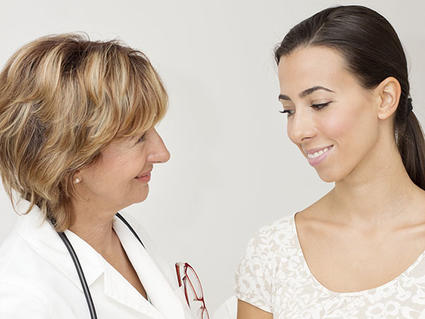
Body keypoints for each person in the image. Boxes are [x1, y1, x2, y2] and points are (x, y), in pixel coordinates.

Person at [236, 5, 425, 319]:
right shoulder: (272, 253)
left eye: (319, 104)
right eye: (289, 110)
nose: (297, 131)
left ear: (385, 98)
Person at [0, 34, 193, 319]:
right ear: (70, 158)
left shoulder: (122, 231)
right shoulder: (25, 298)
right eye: (139, 138)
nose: (162, 153)